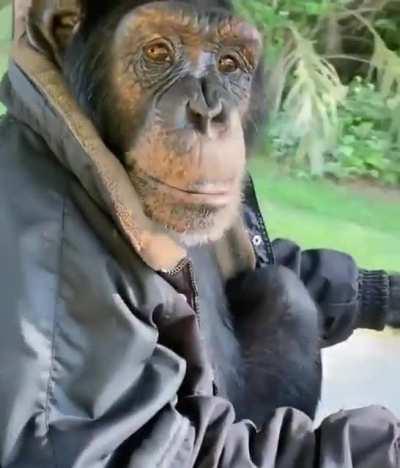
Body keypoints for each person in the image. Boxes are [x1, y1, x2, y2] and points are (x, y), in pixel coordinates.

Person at [0, 1, 399, 466]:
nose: (208, 107)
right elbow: (126, 455)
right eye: (157, 53)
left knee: (280, 296)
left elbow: (240, 265)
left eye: (229, 63)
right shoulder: (51, 233)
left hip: (206, 410)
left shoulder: (112, 168)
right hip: (177, 442)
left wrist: (384, 294)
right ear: (66, 31)